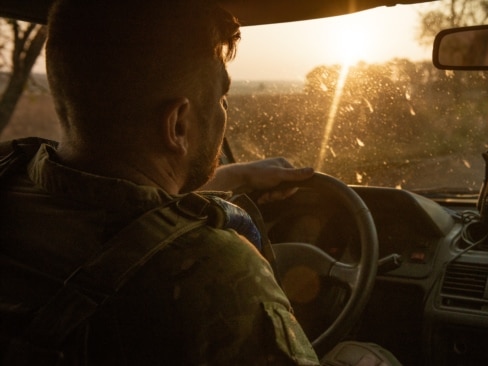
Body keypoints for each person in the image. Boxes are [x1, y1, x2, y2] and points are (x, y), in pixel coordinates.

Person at [0, 0, 400, 365]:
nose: (225, 110)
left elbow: (114, 200)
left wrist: (234, 176)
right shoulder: (214, 271)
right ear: (177, 125)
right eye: (222, 99)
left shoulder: (10, 174)